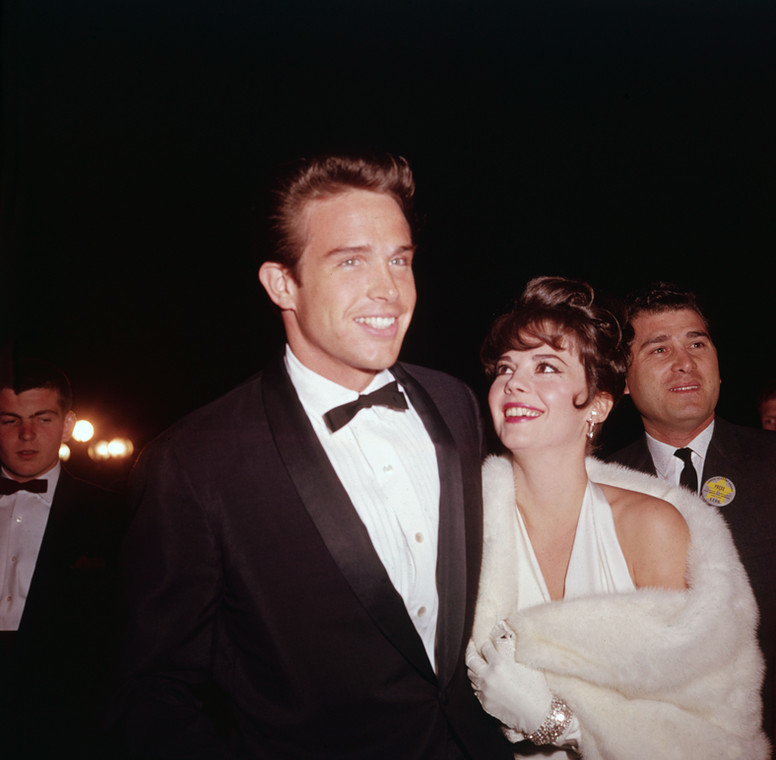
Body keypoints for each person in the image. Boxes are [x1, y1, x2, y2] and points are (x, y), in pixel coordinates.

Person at [107, 152, 512, 759]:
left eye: (399, 259)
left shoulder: (455, 403)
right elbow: (155, 696)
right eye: (351, 261)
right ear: (281, 283)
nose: (389, 290)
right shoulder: (194, 463)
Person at [466, 277, 768, 759]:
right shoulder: (465, 523)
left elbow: (697, 732)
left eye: (545, 366)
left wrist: (555, 722)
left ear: (600, 403)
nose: (514, 383)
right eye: (505, 367)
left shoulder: (651, 525)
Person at [606, 281, 776, 746]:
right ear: (623, 378)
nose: (685, 362)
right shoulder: (603, 486)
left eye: (697, 343)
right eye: (659, 349)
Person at [0, 357, 127, 759]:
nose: (26, 434)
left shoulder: (113, 515)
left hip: (66, 720)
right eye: (9, 421)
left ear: (68, 424)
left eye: (43, 419)